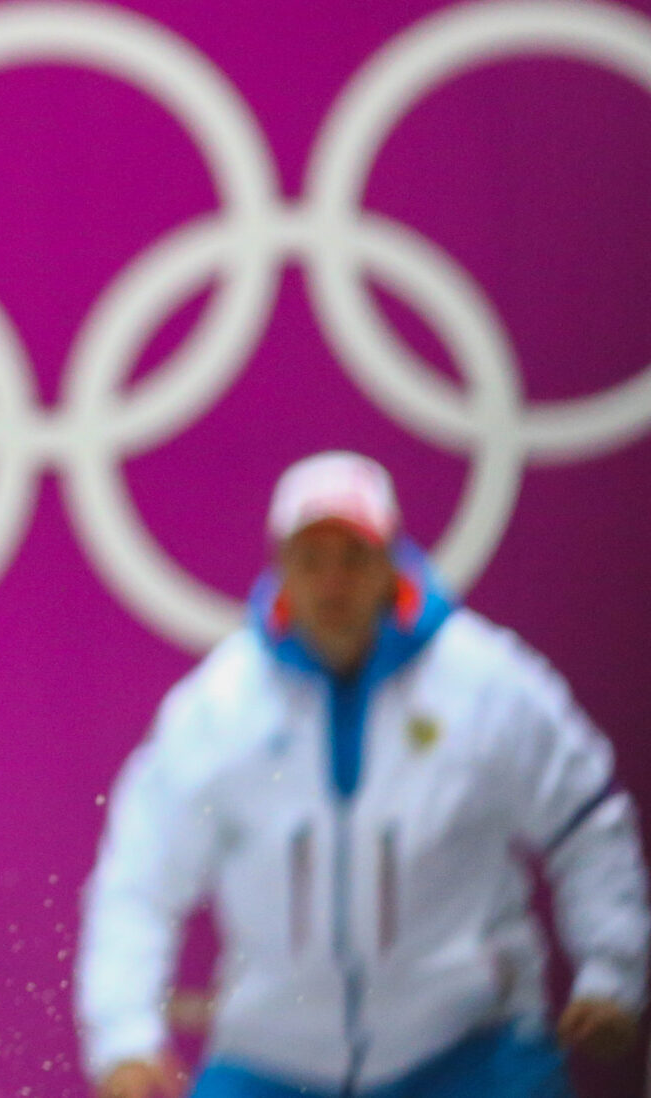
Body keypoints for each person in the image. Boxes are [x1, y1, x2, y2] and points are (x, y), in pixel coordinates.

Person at [77, 451, 650, 1098]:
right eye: (311, 561)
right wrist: (121, 1039)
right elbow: (141, 875)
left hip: (471, 1050)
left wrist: (612, 973)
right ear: (280, 569)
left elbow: (586, 824)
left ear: (392, 563)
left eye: (354, 558)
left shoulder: (486, 686)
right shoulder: (219, 709)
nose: (333, 583)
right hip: (271, 1061)